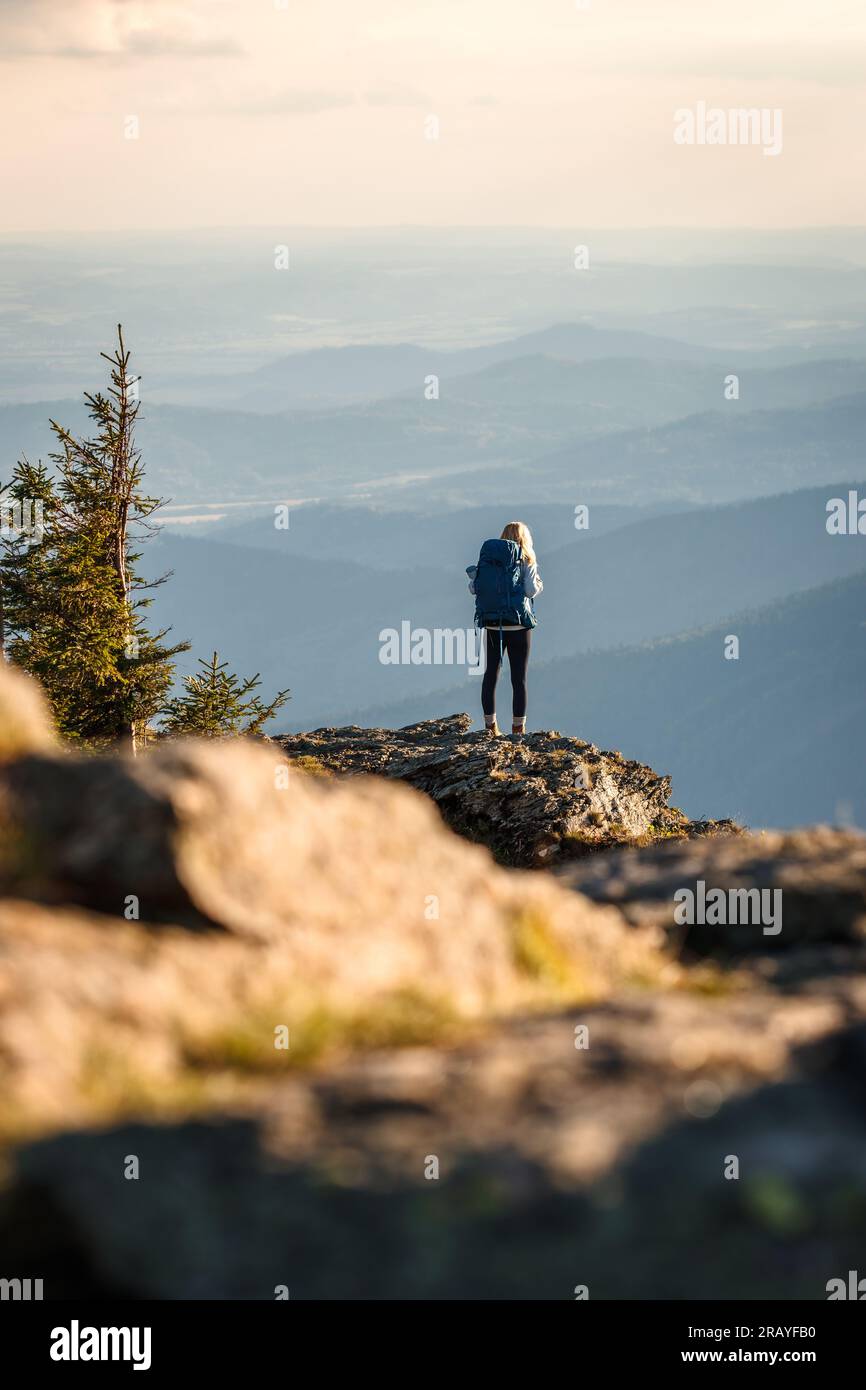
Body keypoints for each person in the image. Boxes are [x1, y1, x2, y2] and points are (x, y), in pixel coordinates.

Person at [466, 521, 542, 737]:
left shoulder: (490, 559)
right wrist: (540, 584)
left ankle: (490, 728)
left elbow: (473, 589)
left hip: (493, 624)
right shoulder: (526, 559)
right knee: (519, 679)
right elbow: (530, 590)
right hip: (518, 626)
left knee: (490, 675)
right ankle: (518, 730)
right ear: (524, 538)